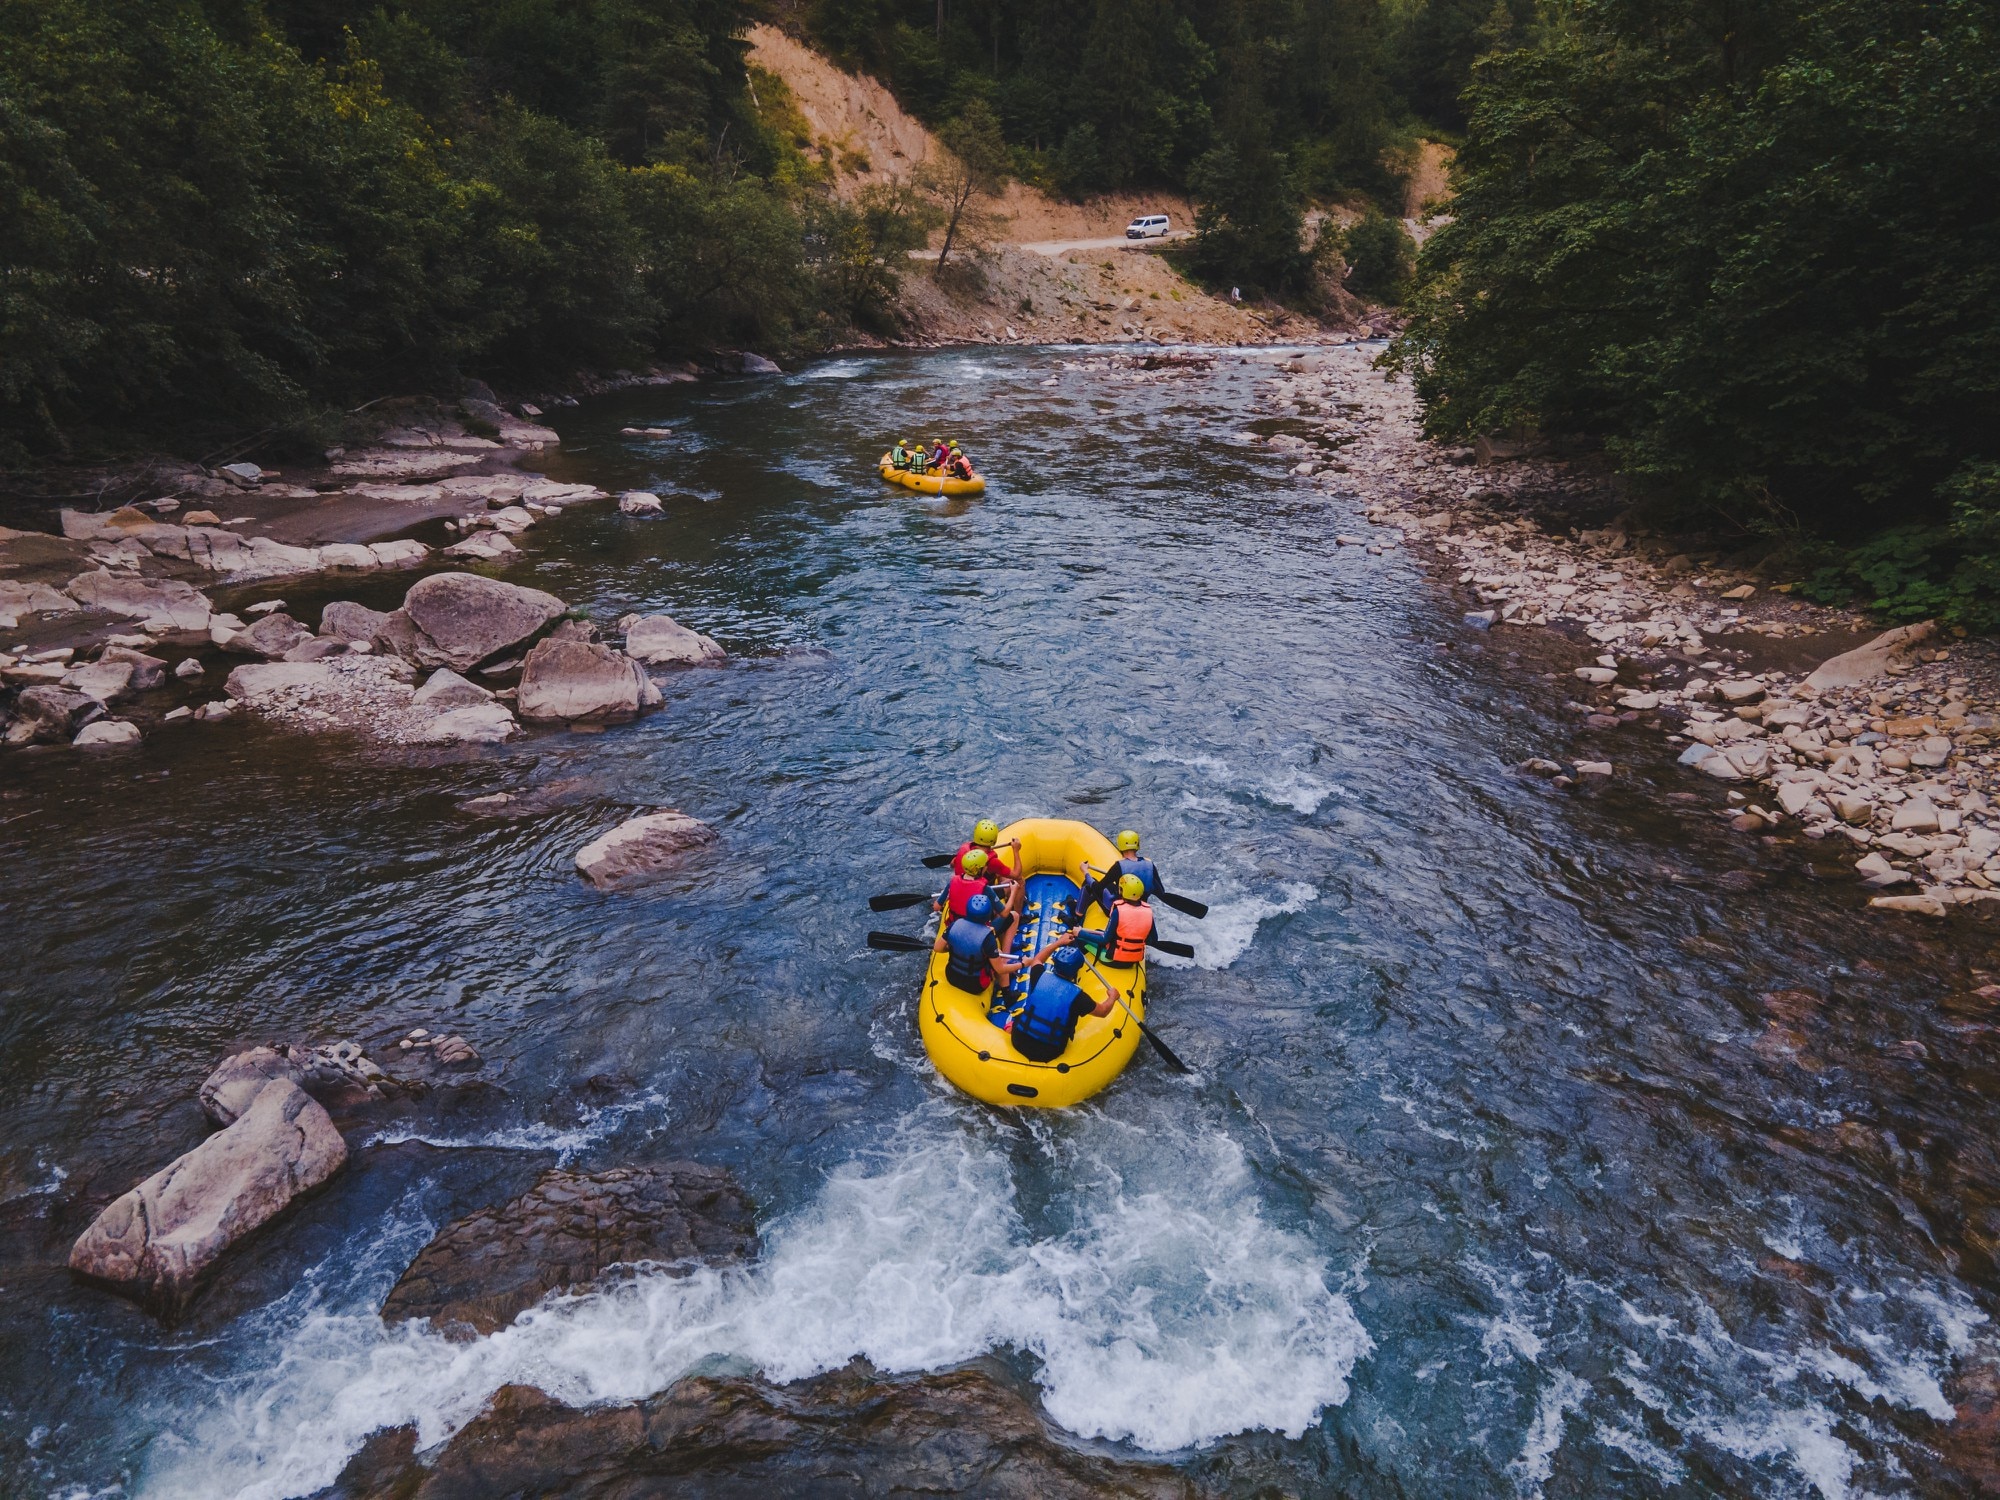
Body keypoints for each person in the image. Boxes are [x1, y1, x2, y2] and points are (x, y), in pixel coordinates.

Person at [1006, 943, 1113, 1062]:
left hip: (1019, 1040)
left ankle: (1009, 1028)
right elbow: (1103, 1011)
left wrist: (1059, 942)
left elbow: (1037, 959)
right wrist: (1112, 997)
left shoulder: (1039, 975)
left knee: (1021, 1015)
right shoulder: (1079, 997)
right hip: (1049, 1051)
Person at [935, 893, 1026, 995]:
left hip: (951, 976)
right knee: (998, 954)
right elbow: (1000, 969)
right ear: (988, 916)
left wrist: (953, 947)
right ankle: (1007, 994)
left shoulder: (954, 925)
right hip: (976, 985)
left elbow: (937, 948)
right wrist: (1023, 964)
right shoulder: (988, 937)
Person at [1084, 829, 1165, 917]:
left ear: (1120, 845)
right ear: (1137, 845)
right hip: (1141, 911)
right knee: (1111, 886)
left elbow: (1098, 888)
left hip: (1118, 912)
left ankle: (1077, 914)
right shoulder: (1150, 865)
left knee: (1089, 883)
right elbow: (1160, 891)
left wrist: (1085, 872)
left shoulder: (1119, 866)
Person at [1081, 873, 1154, 968]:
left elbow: (1104, 940)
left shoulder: (1118, 911)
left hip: (1115, 959)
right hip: (1134, 959)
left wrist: (1079, 933)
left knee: (1080, 938)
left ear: (1122, 891)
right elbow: (1152, 939)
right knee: (1097, 932)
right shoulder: (1148, 911)